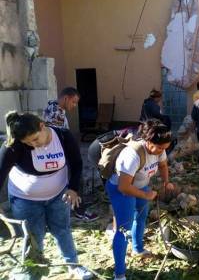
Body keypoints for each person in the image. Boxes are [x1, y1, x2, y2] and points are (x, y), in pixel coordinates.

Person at [0, 112, 92, 279]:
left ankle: (73, 265)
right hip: (25, 199)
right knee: (34, 235)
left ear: (42, 126)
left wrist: (73, 188)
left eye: (35, 139)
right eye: (27, 143)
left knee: (62, 229)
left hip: (59, 195)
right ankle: (32, 270)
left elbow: (77, 163)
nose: (33, 145)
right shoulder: (14, 145)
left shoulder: (63, 136)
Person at [106, 120, 174, 280]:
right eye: (159, 148)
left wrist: (166, 182)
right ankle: (119, 274)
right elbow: (124, 187)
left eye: (165, 148)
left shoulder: (159, 149)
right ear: (148, 141)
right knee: (123, 230)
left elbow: (163, 165)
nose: (162, 152)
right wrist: (146, 195)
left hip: (140, 186)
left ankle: (137, 248)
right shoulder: (133, 154)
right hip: (121, 190)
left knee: (141, 216)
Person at [43, 87, 98, 222]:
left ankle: (72, 207)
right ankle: (79, 210)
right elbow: (59, 138)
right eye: (73, 102)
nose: (74, 106)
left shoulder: (53, 107)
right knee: (75, 179)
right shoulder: (56, 114)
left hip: (58, 155)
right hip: (59, 155)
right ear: (66, 98)